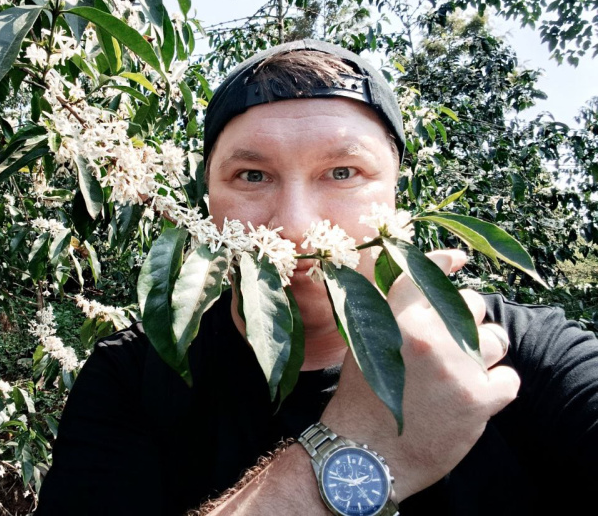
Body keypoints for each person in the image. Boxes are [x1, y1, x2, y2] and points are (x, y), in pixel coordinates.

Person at [36, 40, 598, 515]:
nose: (295, 225)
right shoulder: (133, 378)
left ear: (396, 193)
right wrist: (354, 451)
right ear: (208, 199)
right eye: (251, 175)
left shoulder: (526, 354)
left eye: (343, 172)